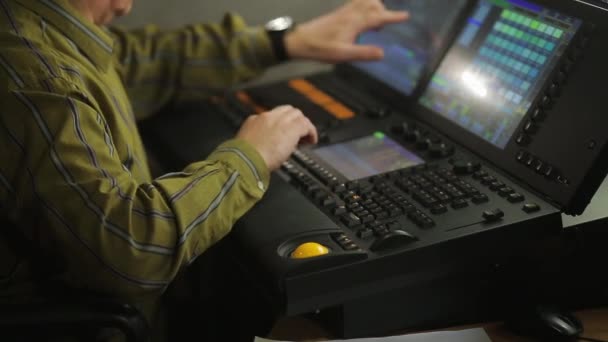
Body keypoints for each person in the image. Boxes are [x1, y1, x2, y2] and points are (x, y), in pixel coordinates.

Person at [0, 0, 407, 340]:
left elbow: (135, 61)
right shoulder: (38, 80)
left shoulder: (39, 27)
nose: (125, 7)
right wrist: (249, 156)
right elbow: (132, 250)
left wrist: (284, 42)